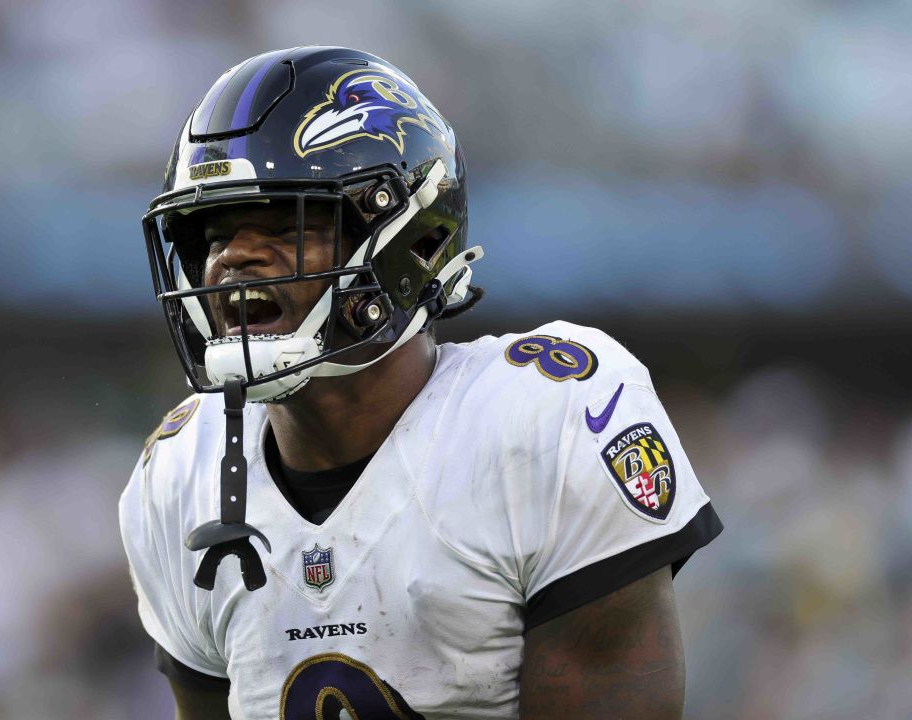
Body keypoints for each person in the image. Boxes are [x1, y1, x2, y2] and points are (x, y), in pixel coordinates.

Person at [120, 46, 722, 719]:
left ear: (412, 239)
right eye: (211, 232)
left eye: (286, 221)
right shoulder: (181, 474)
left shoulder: (540, 419)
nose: (233, 258)